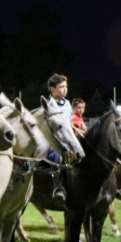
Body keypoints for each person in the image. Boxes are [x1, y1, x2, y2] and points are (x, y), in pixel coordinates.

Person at [46, 73, 72, 201]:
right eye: (61, 87)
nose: (65, 89)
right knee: (58, 159)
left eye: (65, 86)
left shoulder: (67, 103)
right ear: (52, 89)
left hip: (68, 139)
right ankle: (58, 187)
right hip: (54, 140)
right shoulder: (48, 105)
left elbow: (69, 121)